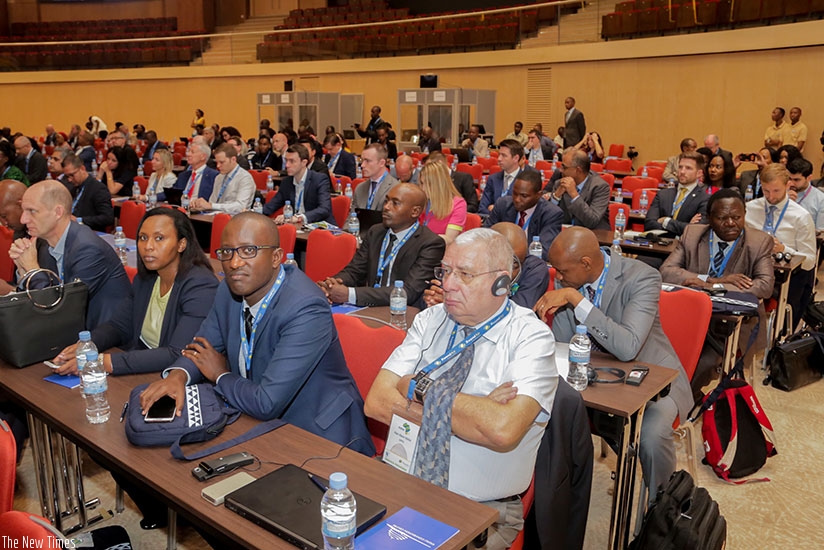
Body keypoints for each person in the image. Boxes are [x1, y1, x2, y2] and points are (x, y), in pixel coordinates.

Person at [364, 228, 558, 549]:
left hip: (481, 508)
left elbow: (501, 429)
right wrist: (474, 410)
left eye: (464, 274)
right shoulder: (429, 321)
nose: (448, 284)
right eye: (445, 271)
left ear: (501, 281)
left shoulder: (531, 338)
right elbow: (377, 402)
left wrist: (416, 387)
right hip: (402, 480)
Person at [140, 211, 374, 446]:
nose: (234, 263)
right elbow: (202, 345)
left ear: (276, 257)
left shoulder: (306, 308)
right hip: (255, 418)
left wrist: (220, 375)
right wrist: (178, 376)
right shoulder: (229, 289)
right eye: (227, 252)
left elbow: (267, 402)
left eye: (248, 251)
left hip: (321, 435)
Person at [535, 227, 691, 504]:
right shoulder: (568, 277)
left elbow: (628, 347)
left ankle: (661, 510)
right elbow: (563, 342)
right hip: (596, 378)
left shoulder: (642, 277)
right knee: (544, 412)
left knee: (651, 436)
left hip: (653, 379)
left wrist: (577, 300)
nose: (558, 278)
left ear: (586, 263)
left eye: (562, 272)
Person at [51, 208, 218, 375]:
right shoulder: (146, 279)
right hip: (141, 365)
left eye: (159, 238)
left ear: (182, 244)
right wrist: (87, 346)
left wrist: (102, 362)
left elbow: (177, 353)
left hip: (172, 375)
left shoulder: (200, 285)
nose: (148, 246)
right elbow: (119, 326)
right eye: (143, 238)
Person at [661, 189, 775, 396]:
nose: (731, 223)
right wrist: (715, 281)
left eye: (737, 217)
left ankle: (680, 402)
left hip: (729, 325)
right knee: (660, 348)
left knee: (702, 359)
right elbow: (667, 272)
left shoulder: (759, 242)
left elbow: (765, 285)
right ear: (709, 218)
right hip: (689, 314)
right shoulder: (692, 234)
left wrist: (712, 287)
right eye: (723, 218)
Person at [8, 180, 129, 330]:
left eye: (32, 211)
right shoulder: (45, 243)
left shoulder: (88, 249)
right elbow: (41, 302)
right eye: (23, 210)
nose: (23, 219)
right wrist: (22, 269)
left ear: (58, 212)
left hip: (101, 338)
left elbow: (62, 311)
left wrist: (32, 268)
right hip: (66, 330)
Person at [319, 183, 445, 307]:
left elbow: (408, 291)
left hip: (402, 312)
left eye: (395, 203)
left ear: (415, 212)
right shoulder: (376, 232)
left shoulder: (430, 243)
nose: (386, 207)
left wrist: (349, 294)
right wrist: (330, 285)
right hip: (369, 305)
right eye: (386, 201)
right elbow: (354, 271)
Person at [745, 163, 817, 326]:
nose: (770, 197)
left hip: (787, 275)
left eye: (776, 191)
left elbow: (810, 260)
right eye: (766, 191)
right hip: (753, 270)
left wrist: (784, 249)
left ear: (787, 185)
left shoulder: (800, 216)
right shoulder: (750, 209)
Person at [425, 221, 549, 311]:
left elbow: (518, 310)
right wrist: (435, 298)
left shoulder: (535, 269)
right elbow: (435, 295)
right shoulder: (467, 261)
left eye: (515, 265)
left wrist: (459, 303)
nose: (507, 272)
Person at [484, 170, 563, 260]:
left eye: (524, 196)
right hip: (498, 261)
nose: (517, 199)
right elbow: (485, 236)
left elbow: (543, 251)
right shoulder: (502, 204)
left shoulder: (551, 213)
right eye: (515, 193)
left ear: (539, 195)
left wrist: (510, 256)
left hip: (530, 266)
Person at [263, 143, 334, 224]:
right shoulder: (286, 182)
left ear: (304, 162)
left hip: (319, 227)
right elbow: (271, 206)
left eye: (292, 161)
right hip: (297, 227)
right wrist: (252, 212)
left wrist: (299, 218)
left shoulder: (319, 179)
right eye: (286, 160)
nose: (287, 165)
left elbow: (324, 209)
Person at [645, 151, 708, 236]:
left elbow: (696, 231)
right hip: (658, 245)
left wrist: (666, 221)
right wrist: (686, 226)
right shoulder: (663, 194)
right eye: (680, 167)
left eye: (688, 168)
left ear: (699, 173)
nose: (682, 171)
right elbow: (649, 224)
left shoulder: (704, 199)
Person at [546, 148, 611, 230]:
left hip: (594, 236)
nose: (560, 170)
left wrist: (574, 194)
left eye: (564, 167)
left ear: (578, 170)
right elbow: (547, 216)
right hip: (566, 235)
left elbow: (592, 221)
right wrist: (556, 196)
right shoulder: (560, 183)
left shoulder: (600, 187)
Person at [190, 144, 255, 215]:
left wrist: (211, 206)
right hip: (215, 216)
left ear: (233, 159)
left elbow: (240, 206)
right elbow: (212, 202)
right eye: (217, 162)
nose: (218, 166)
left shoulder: (245, 178)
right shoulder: (219, 177)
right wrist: (202, 206)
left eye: (222, 162)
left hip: (236, 220)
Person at [61, 154, 114, 232]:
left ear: (82, 169)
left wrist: (80, 220)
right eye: (67, 176)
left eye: (72, 175)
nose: (69, 179)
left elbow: (108, 218)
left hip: (89, 232)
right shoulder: (72, 187)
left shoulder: (98, 188)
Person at [419, 160, 466, 244]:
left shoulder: (458, 204)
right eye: (422, 183)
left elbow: (449, 239)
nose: (423, 188)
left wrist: (421, 239)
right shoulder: (421, 201)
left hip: (443, 251)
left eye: (428, 184)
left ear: (438, 184)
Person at [480, 139, 529, 213]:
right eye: (499, 154)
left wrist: (496, 209)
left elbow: (523, 211)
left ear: (516, 158)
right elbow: (482, 208)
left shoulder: (526, 181)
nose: (499, 159)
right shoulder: (493, 179)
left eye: (504, 155)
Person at [353, 143, 399, 211]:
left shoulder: (395, 188)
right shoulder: (360, 188)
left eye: (367, 161)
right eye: (362, 160)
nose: (362, 165)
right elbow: (351, 218)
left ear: (381, 163)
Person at [787, 157, 824, 230]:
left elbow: (821, 231)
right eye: (789, 178)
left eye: (796, 180)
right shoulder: (781, 193)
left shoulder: (820, 199)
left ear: (809, 178)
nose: (791, 183)